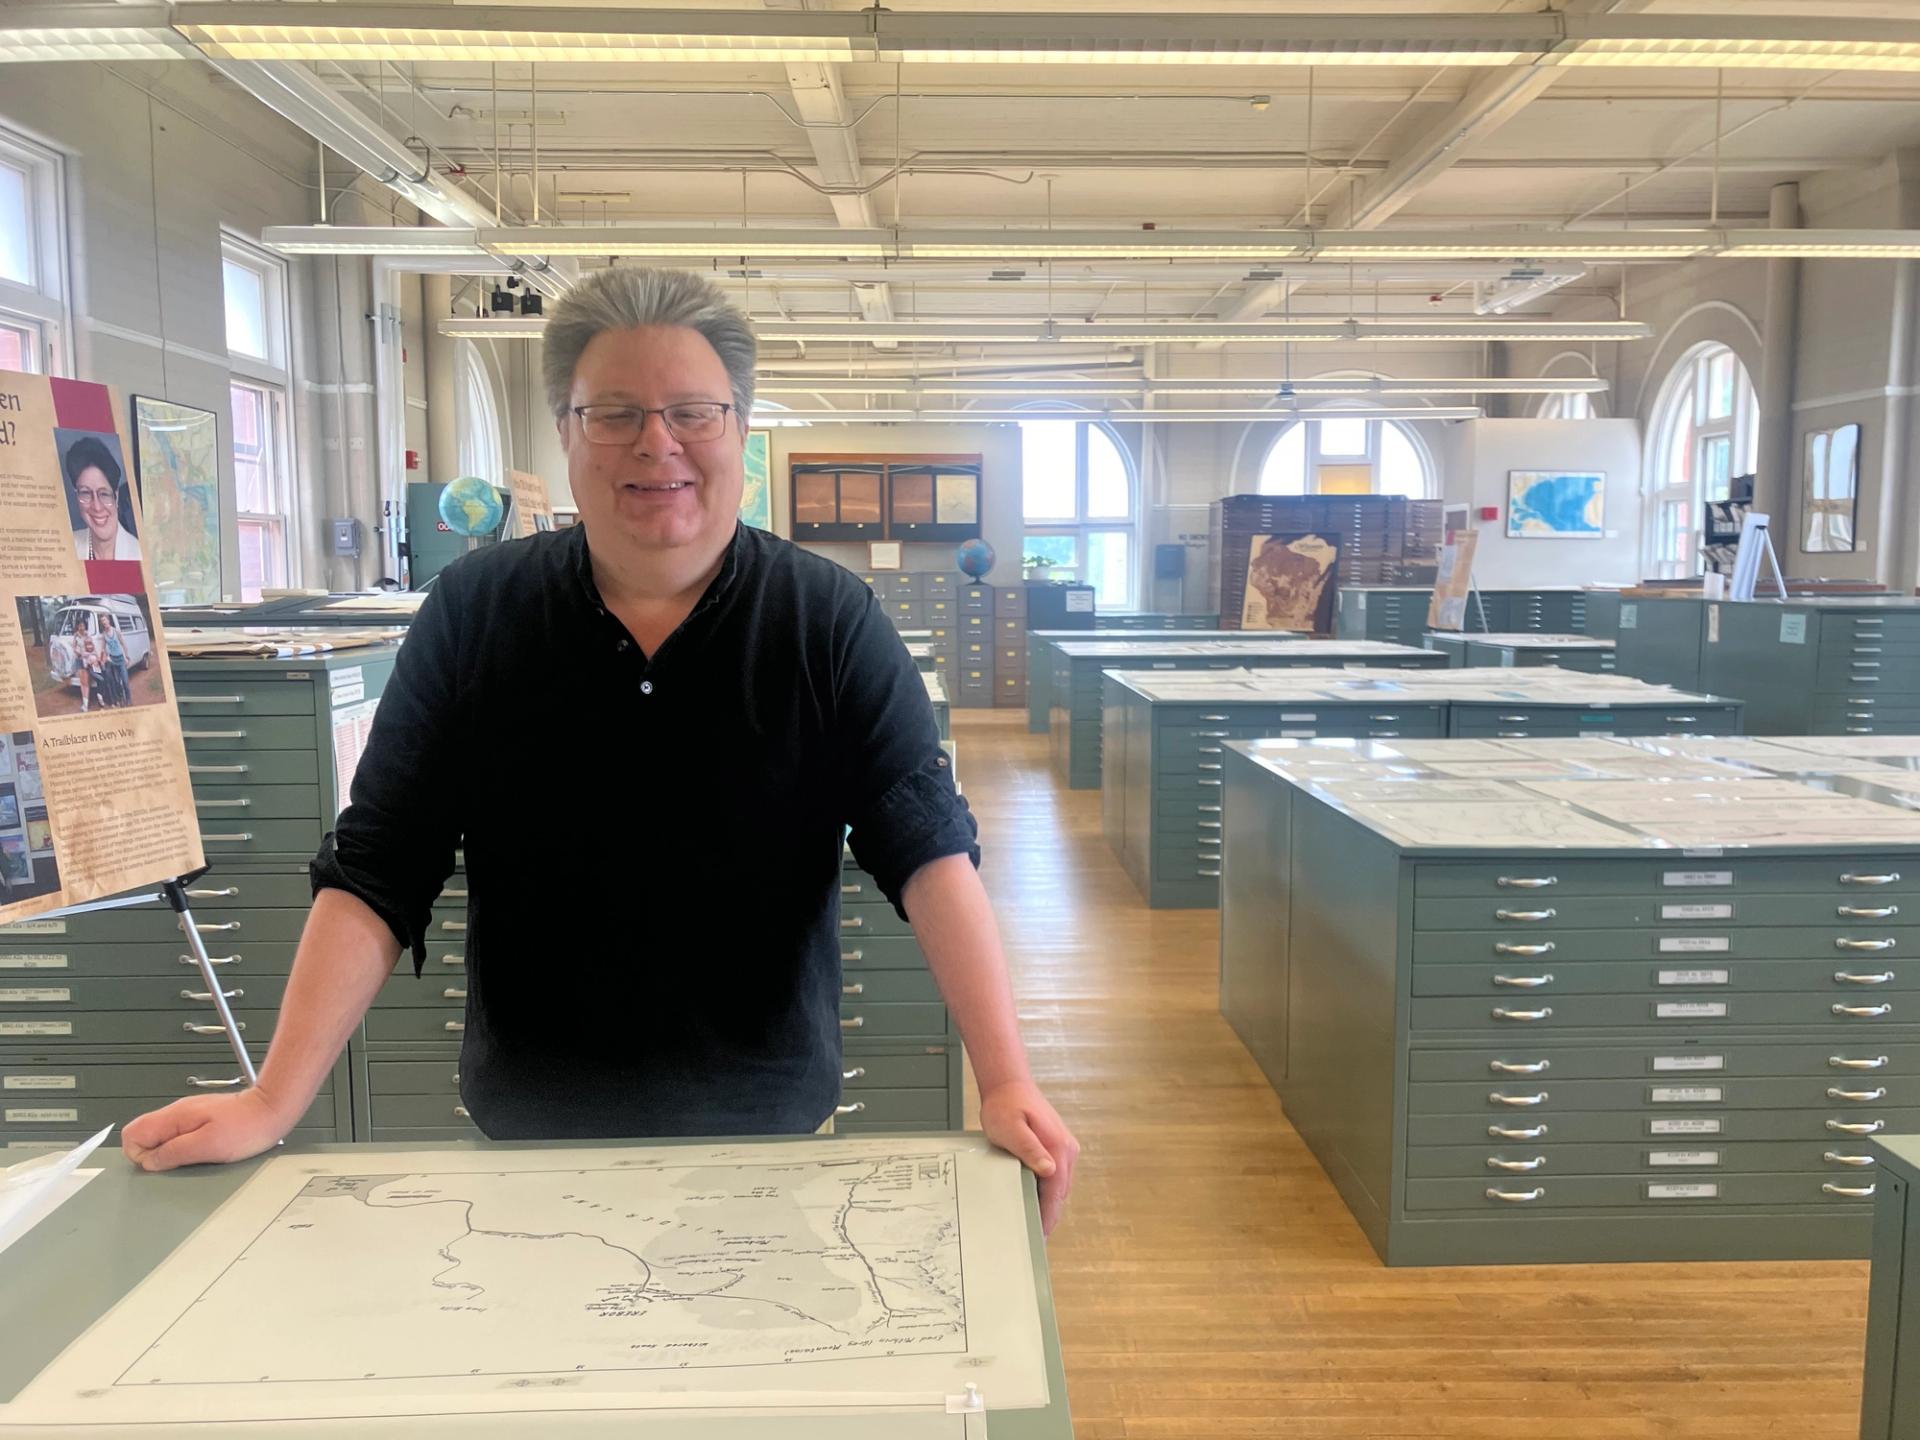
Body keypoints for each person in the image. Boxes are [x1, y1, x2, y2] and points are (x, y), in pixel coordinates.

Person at [121, 267, 1081, 1232]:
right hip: (530, 1135)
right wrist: (274, 1099)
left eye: (692, 413)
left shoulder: (825, 621)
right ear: (568, 432)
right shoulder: (475, 614)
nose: (656, 442)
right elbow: (379, 864)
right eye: (614, 413)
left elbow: (927, 848)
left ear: (738, 431)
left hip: (768, 1128)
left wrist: (1005, 1079)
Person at [65, 436, 141, 562]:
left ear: (116, 497)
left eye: (104, 494)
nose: (97, 506)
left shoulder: (138, 553)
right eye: (85, 493)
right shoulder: (68, 548)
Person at [101, 616, 129, 707]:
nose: (104, 622)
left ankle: (128, 699)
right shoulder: (104, 635)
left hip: (121, 659)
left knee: (125, 681)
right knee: (117, 682)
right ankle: (121, 699)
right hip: (113, 660)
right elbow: (103, 648)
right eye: (102, 621)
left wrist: (126, 657)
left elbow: (123, 643)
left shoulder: (116, 631)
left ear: (108, 620)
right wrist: (105, 657)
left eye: (105, 620)